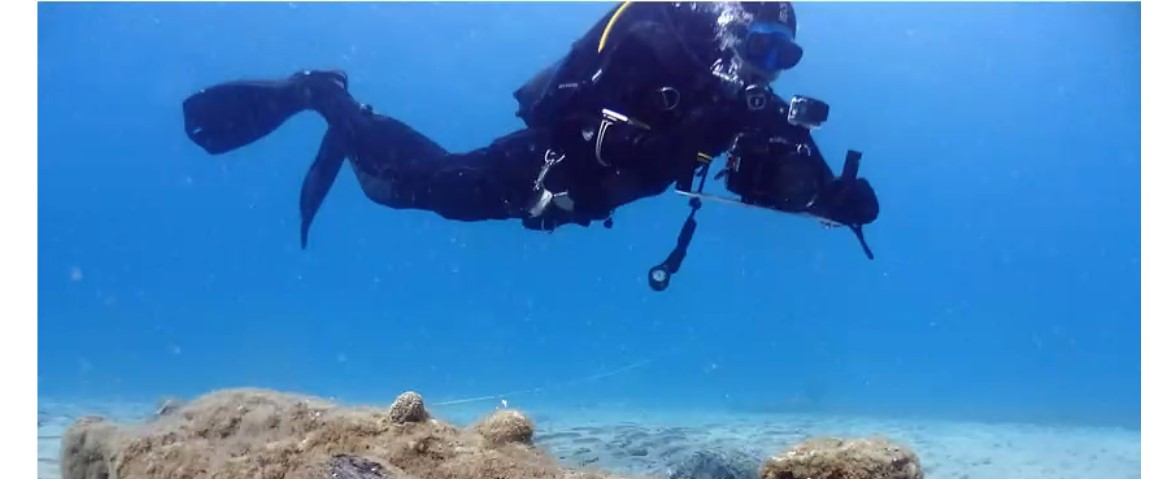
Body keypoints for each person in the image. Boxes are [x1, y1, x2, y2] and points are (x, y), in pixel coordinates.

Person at [182, 1, 878, 256]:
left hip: (573, 201)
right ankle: (326, 97)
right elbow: (580, 122)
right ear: (730, 29)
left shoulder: (740, 100)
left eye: (784, 59)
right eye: (760, 49)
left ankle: (348, 112)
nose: (767, 70)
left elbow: (776, 176)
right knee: (400, 188)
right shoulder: (655, 43)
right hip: (538, 170)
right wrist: (685, 127)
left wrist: (836, 199)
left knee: (421, 178)